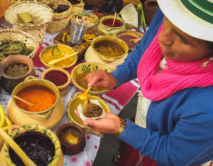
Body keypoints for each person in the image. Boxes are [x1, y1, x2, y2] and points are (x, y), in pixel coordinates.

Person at [83, 0, 213, 165]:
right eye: (167, 22)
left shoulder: (207, 108)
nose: (163, 38)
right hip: (147, 121)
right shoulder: (171, 16)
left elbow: (172, 154)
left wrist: (121, 127)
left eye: (184, 40)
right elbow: (145, 49)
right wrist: (116, 77)